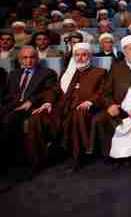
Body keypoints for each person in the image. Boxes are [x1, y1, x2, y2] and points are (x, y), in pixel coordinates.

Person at [0, 46, 60, 176]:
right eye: (25, 58)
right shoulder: (13, 74)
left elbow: (49, 91)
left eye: (32, 57)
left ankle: (18, 162)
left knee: (9, 120)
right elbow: (6, 93)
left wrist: (31, 102)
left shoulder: (47, 73)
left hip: (33, 106)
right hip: (13, 105)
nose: (29, 61)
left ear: (37, 58)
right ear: (20, 60)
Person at [58, 43, 107, 171]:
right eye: (77, 55)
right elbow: (55, 90)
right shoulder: (67, 74)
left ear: (90, 56)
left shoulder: (100, 72)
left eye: (84, 55)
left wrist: (90, 101)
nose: (80, 58)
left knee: (77, 114)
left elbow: (103, 92)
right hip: (66, 105)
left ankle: (78, 156)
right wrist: (47, 102)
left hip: (87, 107)